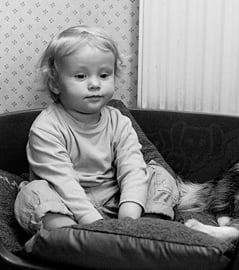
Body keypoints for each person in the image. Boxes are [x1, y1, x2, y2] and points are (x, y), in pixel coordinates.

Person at [14, 25, 179, 235]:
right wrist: (97, 227)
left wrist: (128, 218)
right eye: (81, 76)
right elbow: (64, 184)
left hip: (115, 203)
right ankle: (79, 239)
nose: (94, 84)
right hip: (67, 207)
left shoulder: (119, 121)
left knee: (158, 174)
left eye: (104, 75)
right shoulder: (46, 128)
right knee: (31, 195)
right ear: (55, 84)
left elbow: (132, 169)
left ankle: (141, 231)